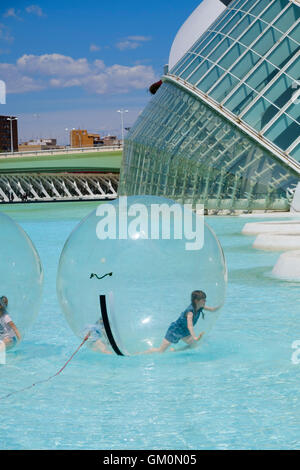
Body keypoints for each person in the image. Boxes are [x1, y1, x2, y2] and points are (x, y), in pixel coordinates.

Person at [145, 290, 220, 354]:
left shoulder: (200, 307)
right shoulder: (190, 312)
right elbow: (190, 326)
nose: (205, 301)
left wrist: (221, 305)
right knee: (161, 351)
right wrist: (194, 336)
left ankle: (175, 351)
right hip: (175, 330)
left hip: (184, 331)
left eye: (205, 299)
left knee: (194, 345)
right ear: (196, 301)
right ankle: (141, 353)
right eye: (203, 300)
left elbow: (212, 309)